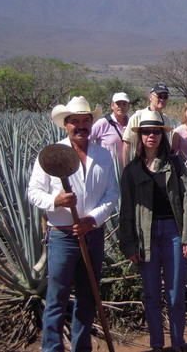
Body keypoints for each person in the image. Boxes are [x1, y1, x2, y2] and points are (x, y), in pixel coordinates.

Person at [28, 96, 119, 352]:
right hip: (61, 237)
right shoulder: (52, 154)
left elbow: (112, 193)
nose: (81, 126)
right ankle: (51, 349)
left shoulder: (102, 154)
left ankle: (82, 348)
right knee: (56, 299)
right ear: (65, 124)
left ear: (91, 123)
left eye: (85, 121)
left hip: (92, 235)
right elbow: (33, 192)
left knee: (87, 297)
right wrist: (56, 200)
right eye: (75, 121)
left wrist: (92, 220)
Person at [119, 110, 187, 352]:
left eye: (155, 131)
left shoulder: (175, 165)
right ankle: (156, 346)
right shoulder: (132, 170)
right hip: (145, 235)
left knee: (175, 294)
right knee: (151, 295)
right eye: (146, 132)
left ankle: (178, 344)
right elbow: (126, 211)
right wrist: (129, 244)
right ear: (140, 136)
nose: (151, 135)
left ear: (162, 136)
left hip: (173, 232)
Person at [122, 84, 170, 166]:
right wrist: (126, 170)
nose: (162, 99)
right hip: (139, 164)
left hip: (160, 164)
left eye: (165, 96)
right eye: (159, 96)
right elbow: (127, 144)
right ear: (150, 97)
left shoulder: (166, 120)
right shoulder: (137, 117)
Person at [89, 92, 131, 168]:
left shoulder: (131, 124)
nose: (121, 106)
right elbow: (85, 139)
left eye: (124, 104)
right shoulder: (103, 123)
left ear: (128, 106)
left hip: (126, 171)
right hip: (106, 171)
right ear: (112, 106)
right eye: (118, 104)